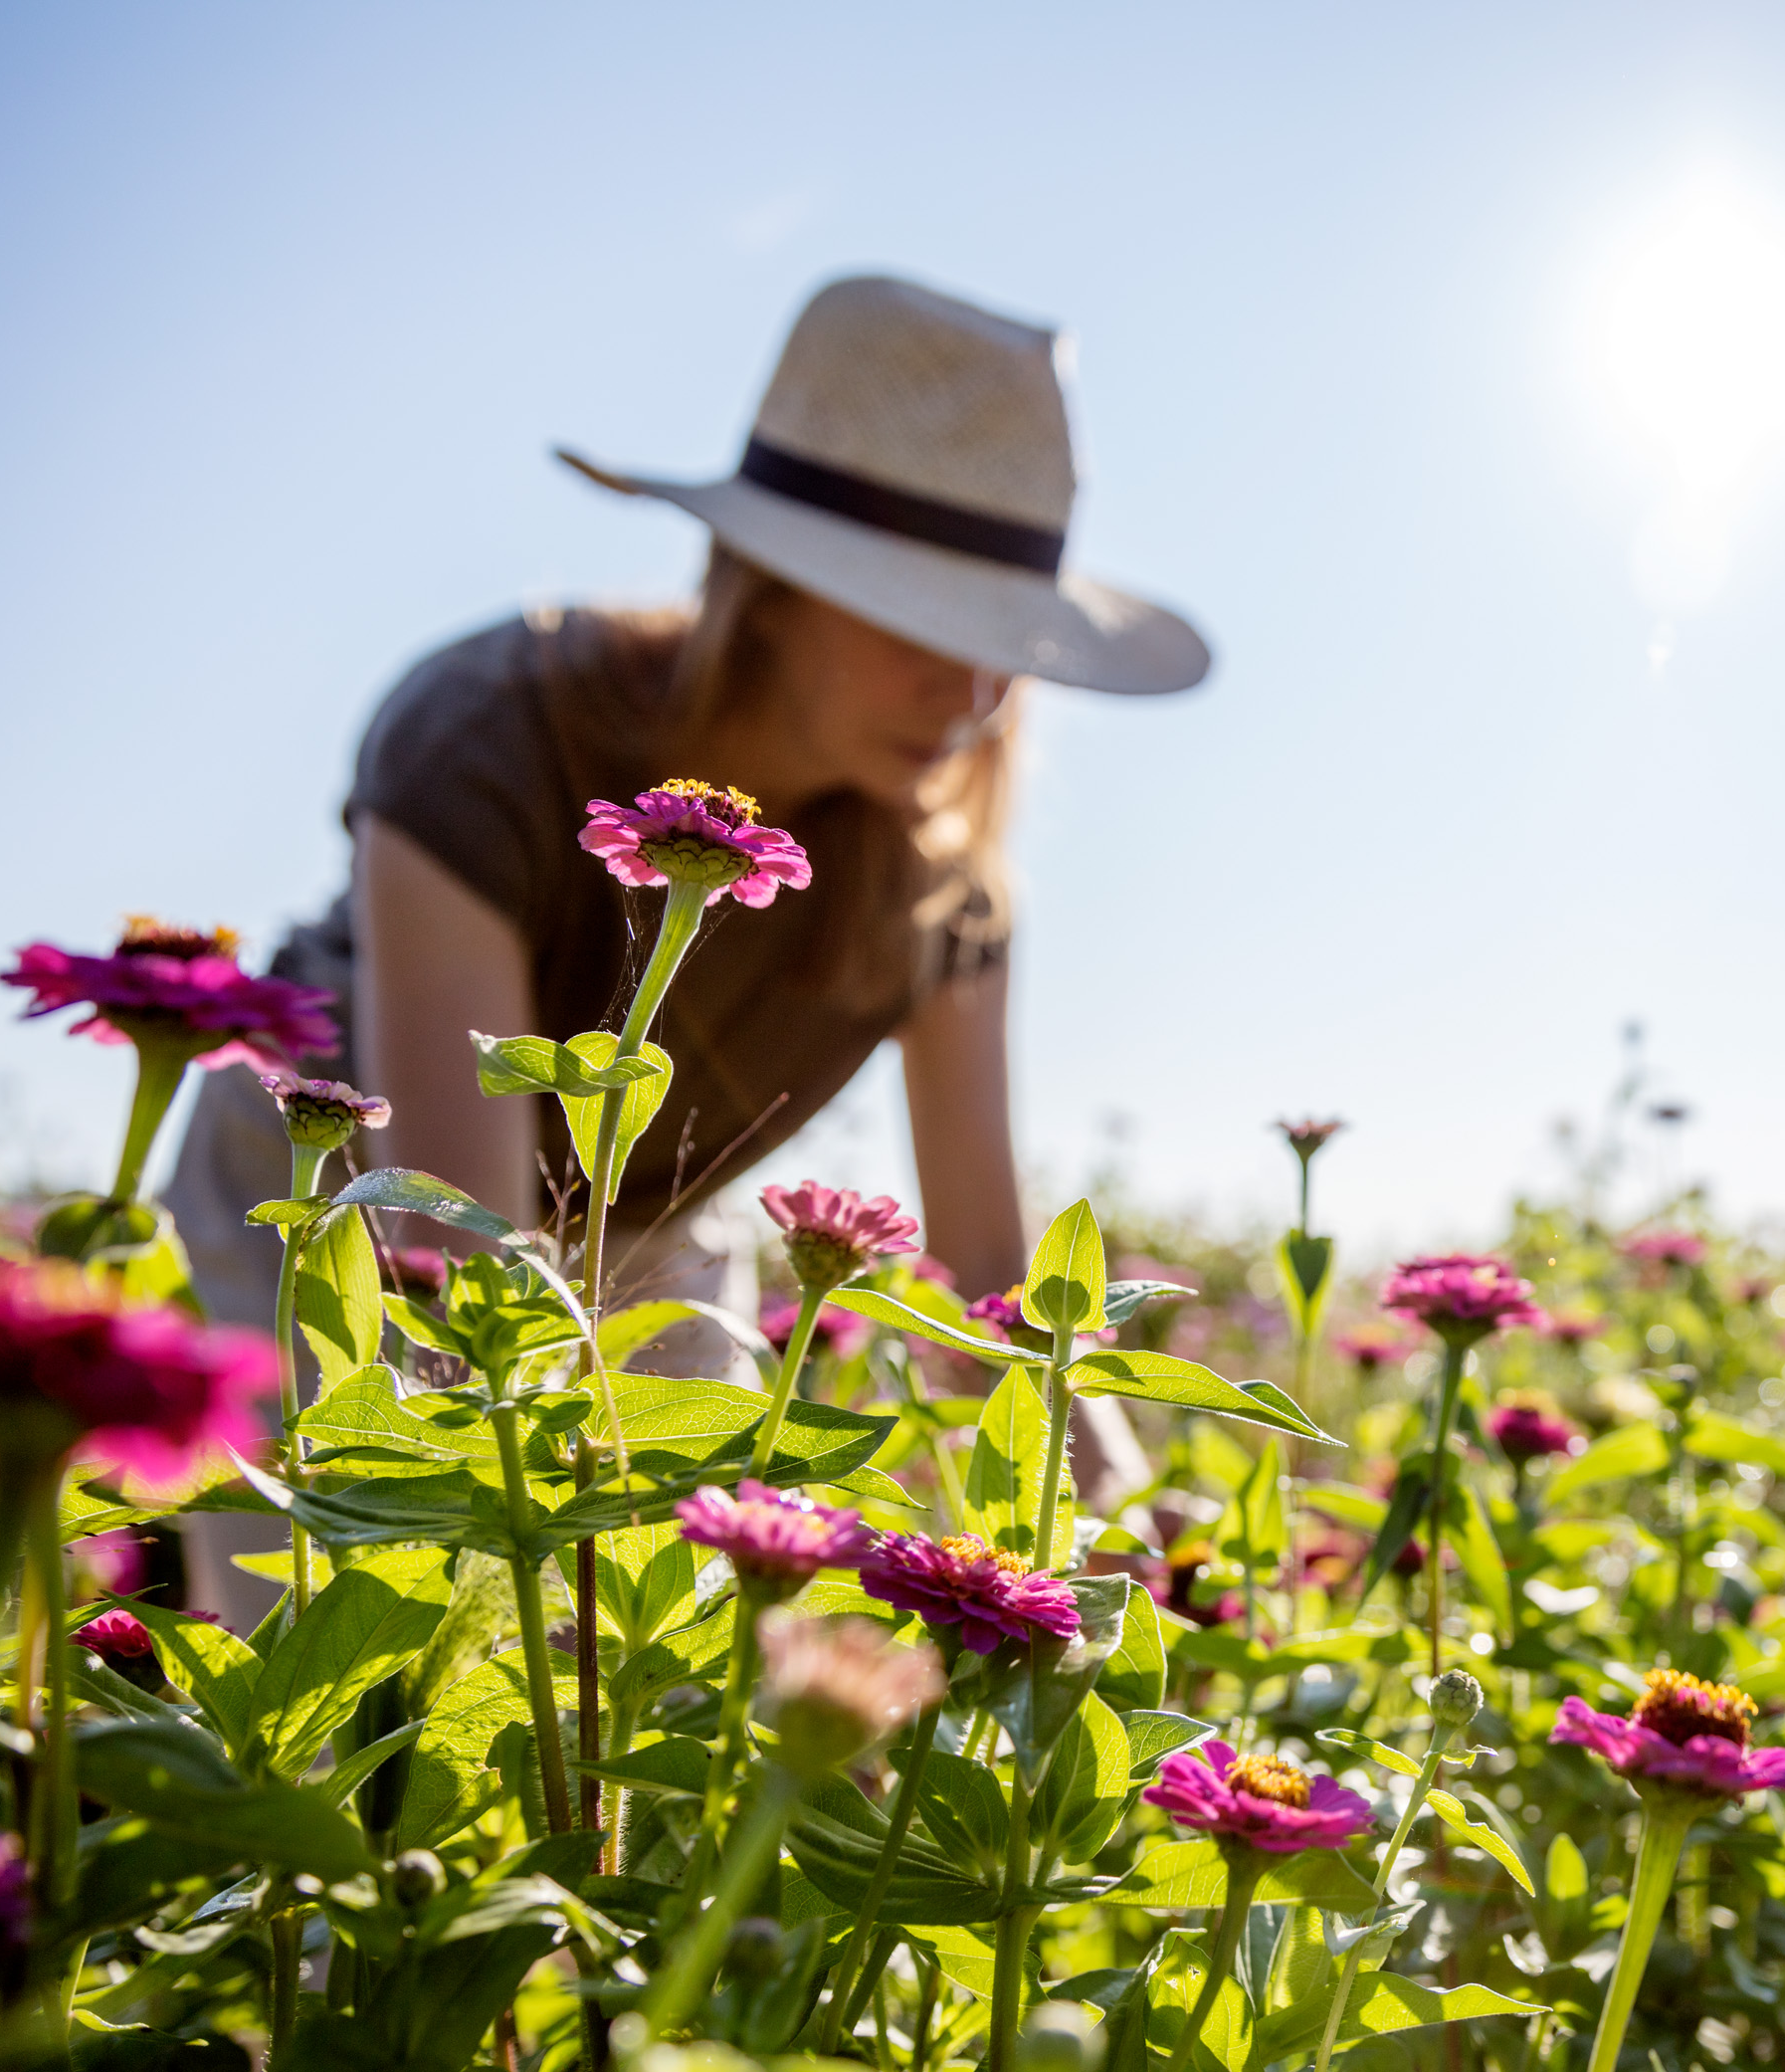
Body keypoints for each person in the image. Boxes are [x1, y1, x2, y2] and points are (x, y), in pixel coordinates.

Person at [163, 274, 1204, 1624]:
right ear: (771, 588)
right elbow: (445, 1233)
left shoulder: (942, 893)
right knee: (335, 1646)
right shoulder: (489, 730)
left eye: (999, 642)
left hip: (651, 1224)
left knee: (671, 1673)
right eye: (922, 626)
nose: (970, 697)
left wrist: (1099, 1516)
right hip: (338, 1194)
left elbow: (996, 1293)